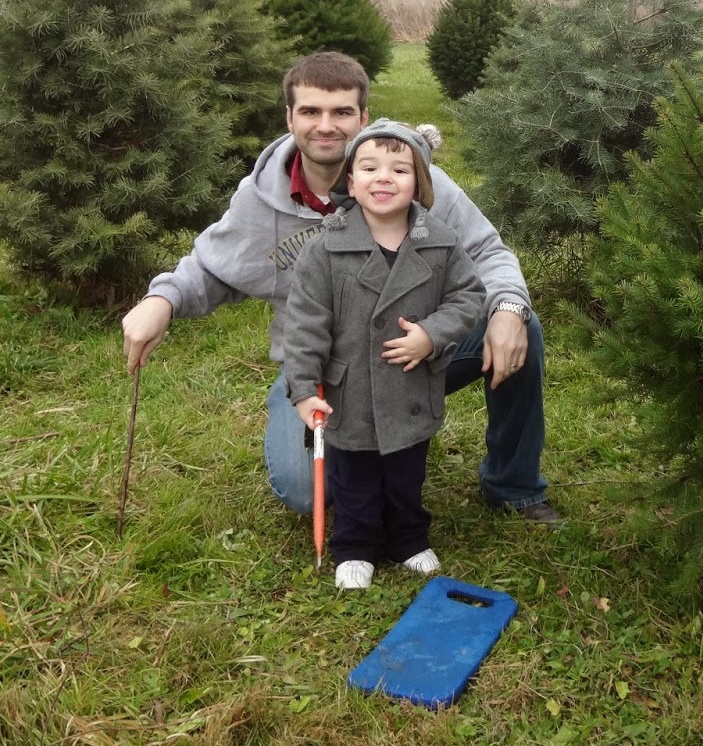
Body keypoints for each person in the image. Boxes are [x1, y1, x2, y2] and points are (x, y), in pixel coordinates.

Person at [120, 51, 562, 525]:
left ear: (363, 116)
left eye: (342, 112)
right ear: (290, 117)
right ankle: (370, 441)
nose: (326, 126)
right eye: (310, 111)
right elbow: (211, 268)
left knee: (520, 323)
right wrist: (160, 300)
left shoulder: (412, 179)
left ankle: (512, 484)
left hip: (416, 351)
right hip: (325, 371)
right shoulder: (260, 199)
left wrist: (509, 309)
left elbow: (488, 254)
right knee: (308, 494)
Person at [285, 121, 485, 589]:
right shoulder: (325, 249)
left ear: (420, 183)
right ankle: (354, 546)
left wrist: (432, 335)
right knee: (353, 474)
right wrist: (301, 390)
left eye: (400, 169)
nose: (383, 178)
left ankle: (408, 538)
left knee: (405, 472)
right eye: (369, 167)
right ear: (349, 181)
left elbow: (468, 297)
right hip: (349, 388)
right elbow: (305, 327)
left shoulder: (440, 241)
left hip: (412, 384)